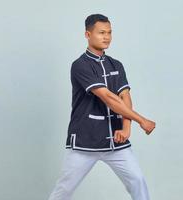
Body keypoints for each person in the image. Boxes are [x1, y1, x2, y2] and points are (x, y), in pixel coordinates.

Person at [48, 14, 156, 200]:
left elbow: (125, 96)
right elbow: (108, 98)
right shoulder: (80, 65)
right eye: (101, 33)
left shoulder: (117, 64)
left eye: (109, 32)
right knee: (64, 190)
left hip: (116, 141)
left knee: (137, 180)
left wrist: (126, 127)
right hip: (85, 141)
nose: (107, 37)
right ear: (87, 34)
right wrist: (141, 120)